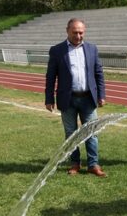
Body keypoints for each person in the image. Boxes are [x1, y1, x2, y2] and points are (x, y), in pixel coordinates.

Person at [45, 18, 107, 176]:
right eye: (75, 32)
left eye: (81, 32)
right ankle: (75, 163)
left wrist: (101, 95)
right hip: (68, 99)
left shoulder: (92, 49)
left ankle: (93, 164)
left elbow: (99, 73)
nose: (78, 36)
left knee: (91, 132)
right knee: (71, 133)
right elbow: (50, 77)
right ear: (67, 31)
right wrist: (49, 98)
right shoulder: (57, 50)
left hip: (88, 98)